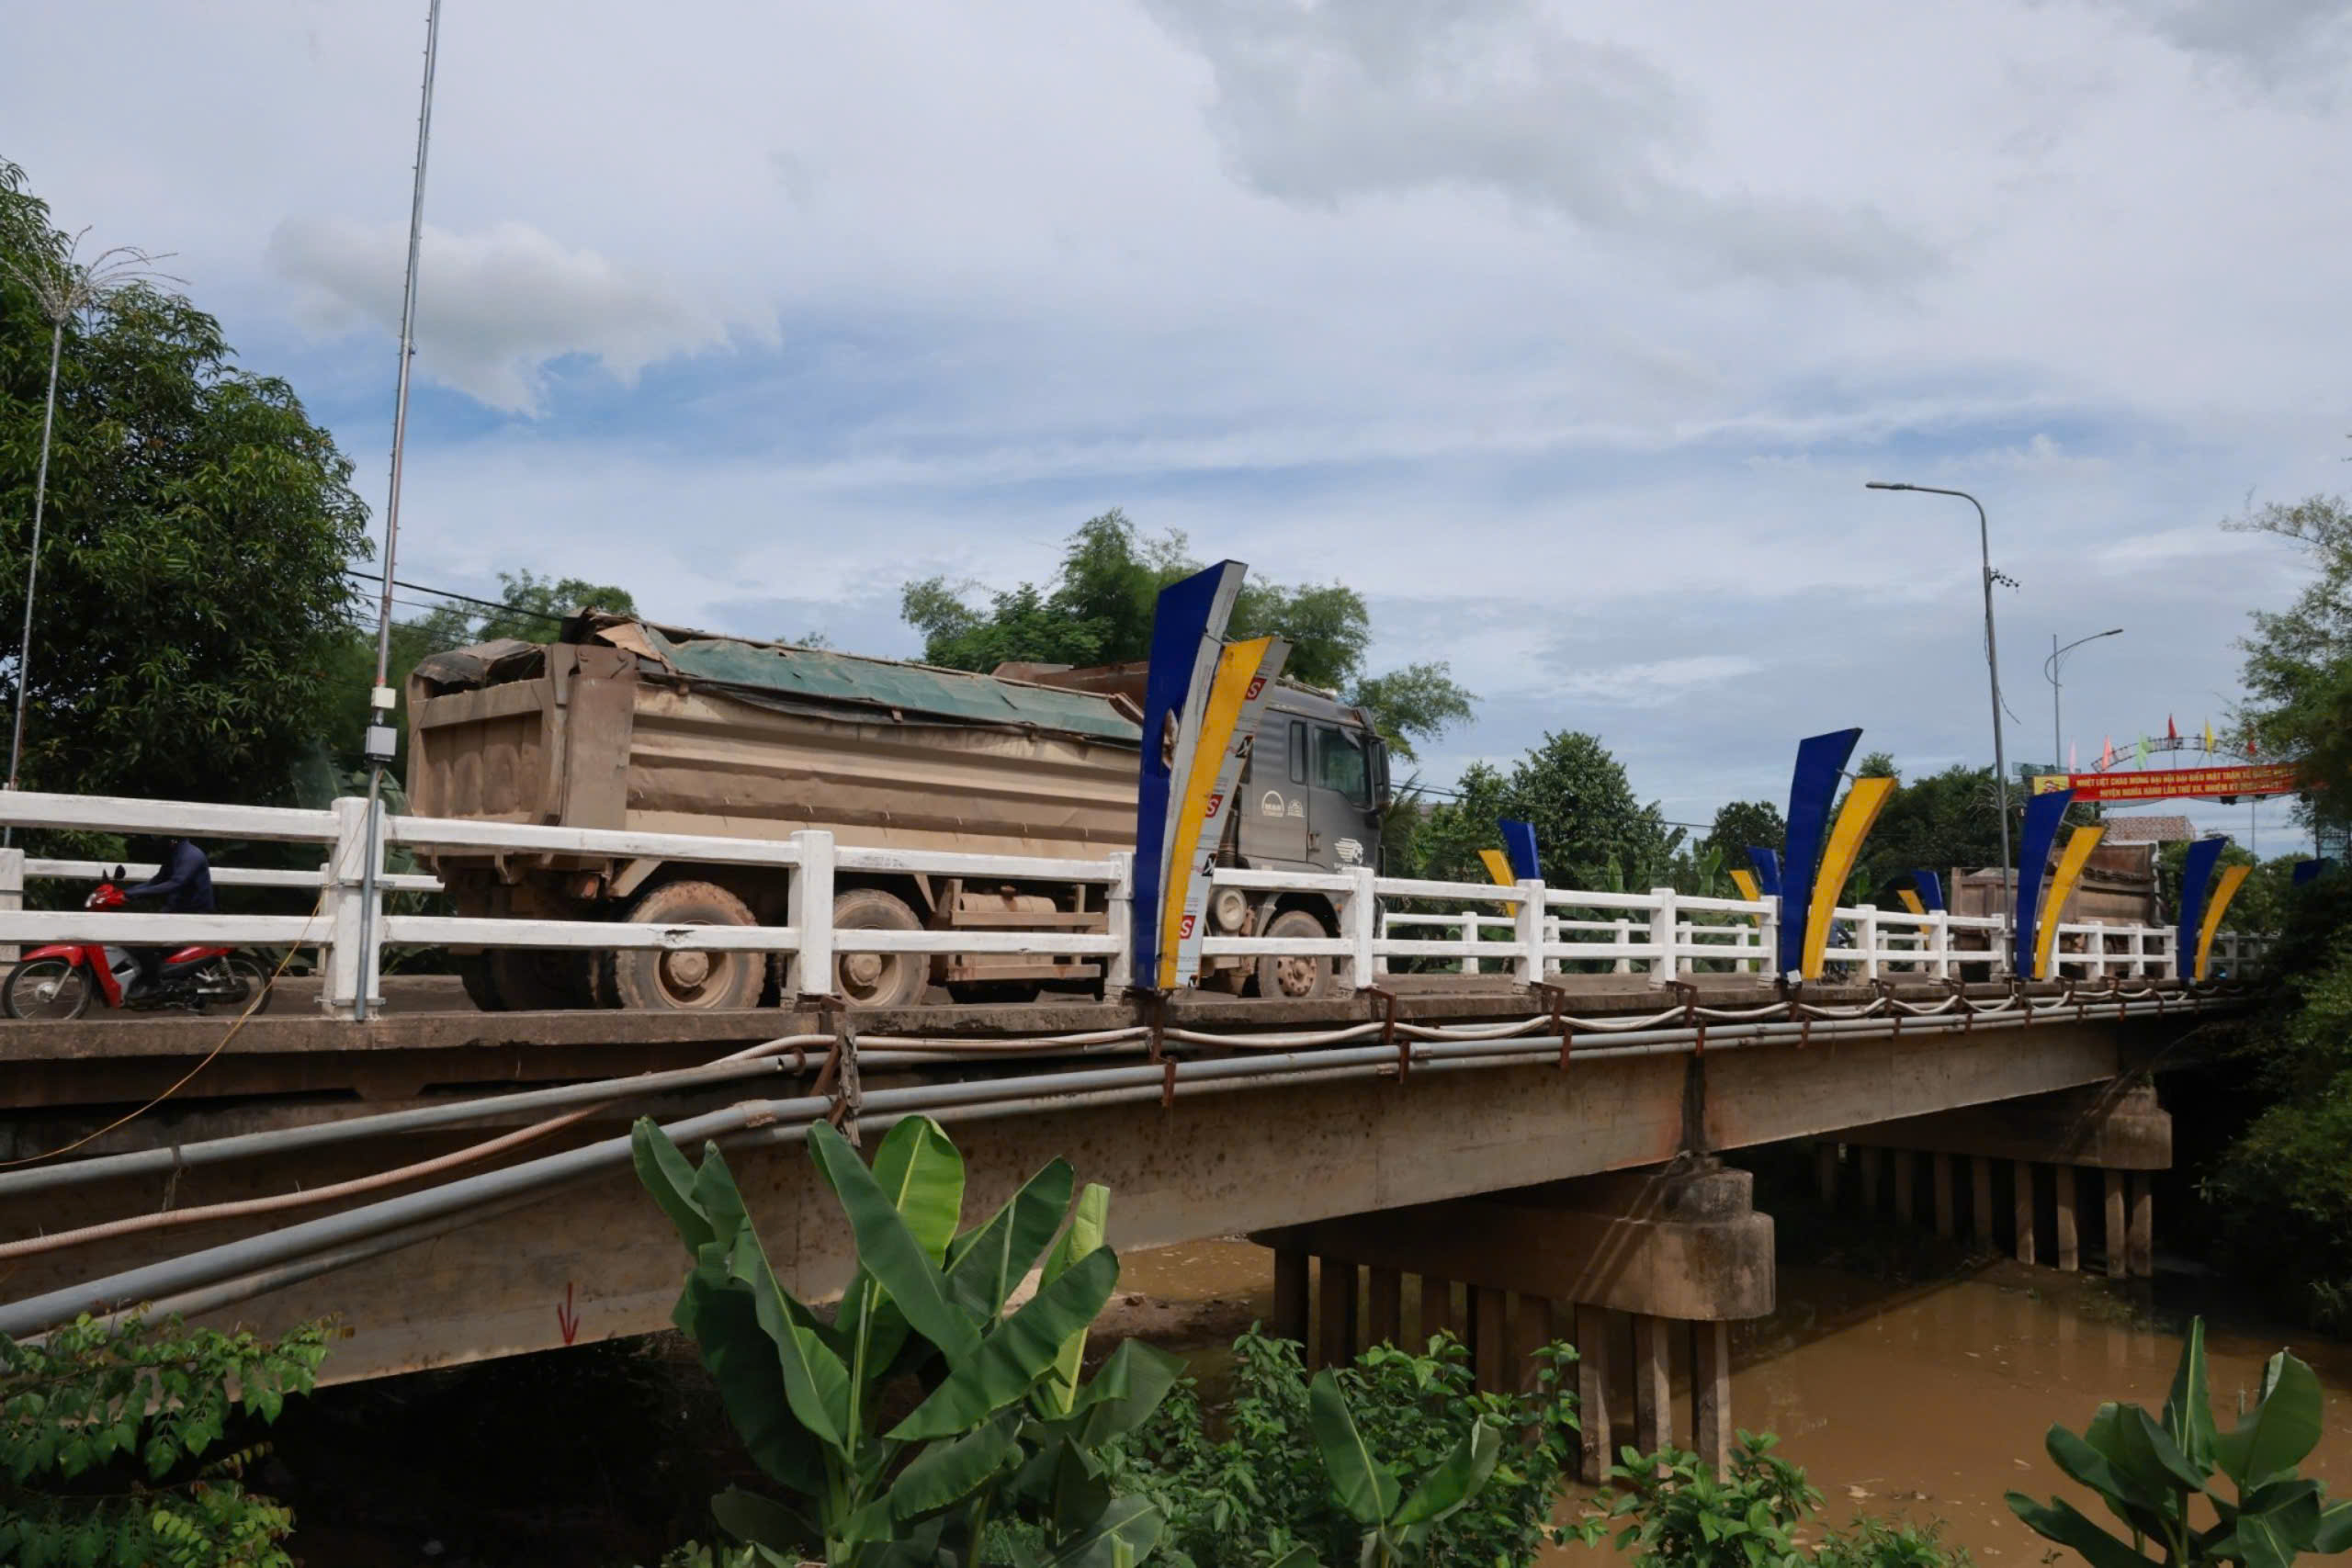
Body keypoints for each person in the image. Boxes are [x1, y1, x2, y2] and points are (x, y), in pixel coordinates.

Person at [119, 836, 216, 998]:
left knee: (144, 942)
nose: (157, 844)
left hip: (193, 915)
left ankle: (153, 984)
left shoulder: (191, 856)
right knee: (139, 935)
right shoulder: (175, 854)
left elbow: (175, 883)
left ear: (171, 840)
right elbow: (156, 881)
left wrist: (136, 893)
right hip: (176, 911)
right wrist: (125, 892)